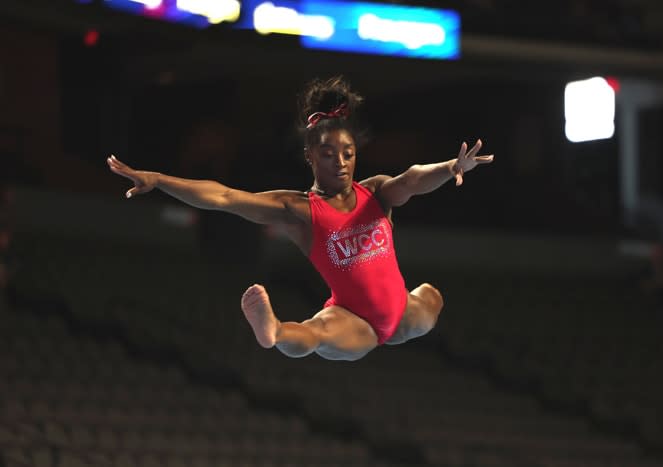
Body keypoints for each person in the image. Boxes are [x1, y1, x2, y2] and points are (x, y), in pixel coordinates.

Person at [107, 77, 494, 361]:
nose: (340, 162)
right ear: (310, 155)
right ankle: (273, 330)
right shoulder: (301, 212)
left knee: (432, 297)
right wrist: (158, 179)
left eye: (348, 152)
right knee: (316, 333)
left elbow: (411, 180)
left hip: (403, 314)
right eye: (328, 154)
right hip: (354, 320)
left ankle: (416, 302)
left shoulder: (374, 193)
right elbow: (224, 197)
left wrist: (449, 167)